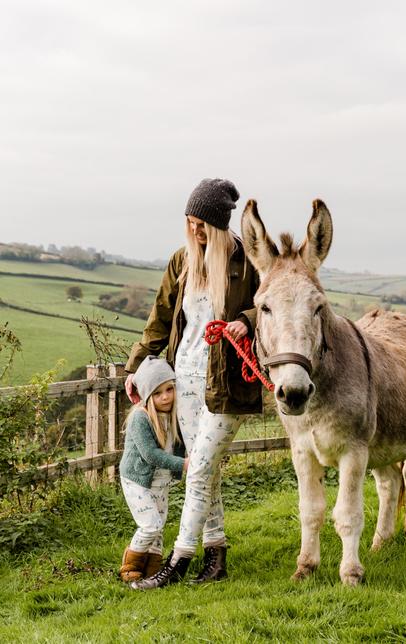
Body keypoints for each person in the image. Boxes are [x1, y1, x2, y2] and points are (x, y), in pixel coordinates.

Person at [124, 178, 261, 588]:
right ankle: (215, 557)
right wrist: (137, 369)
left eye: (203, 224)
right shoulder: (181, 262)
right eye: (190, 222)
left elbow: (268, 308)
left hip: (227, 384)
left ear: (220, 226)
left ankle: (177, 561)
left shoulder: (246, 263)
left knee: (199, 469)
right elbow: (160, 320)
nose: (196, 231)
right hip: (182, 381)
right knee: (207, 470)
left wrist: (246, 321)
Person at [119, 355, 188, 583]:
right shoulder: (141, 418)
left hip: (161, 481)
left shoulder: (177, 416)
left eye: (169, 389)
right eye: (158, 393)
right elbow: (151, 454)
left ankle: (152, 570)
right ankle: (131, 565)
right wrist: (183, 464)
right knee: (150, 524)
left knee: (159, 526)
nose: (166, 397)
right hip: (138, 480)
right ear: (148, 395)